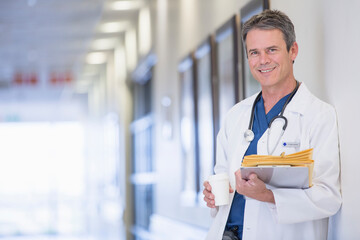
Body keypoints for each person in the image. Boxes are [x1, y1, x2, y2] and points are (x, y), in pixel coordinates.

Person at [203, 9, 341, 240]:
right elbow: (223, 180)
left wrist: (268, 196)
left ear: (293, 50)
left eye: (272, 50)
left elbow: (329, 198)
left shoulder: (318, 115)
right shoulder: (236, 115)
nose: (263, 60)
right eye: (254, 52)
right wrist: (212, 196)